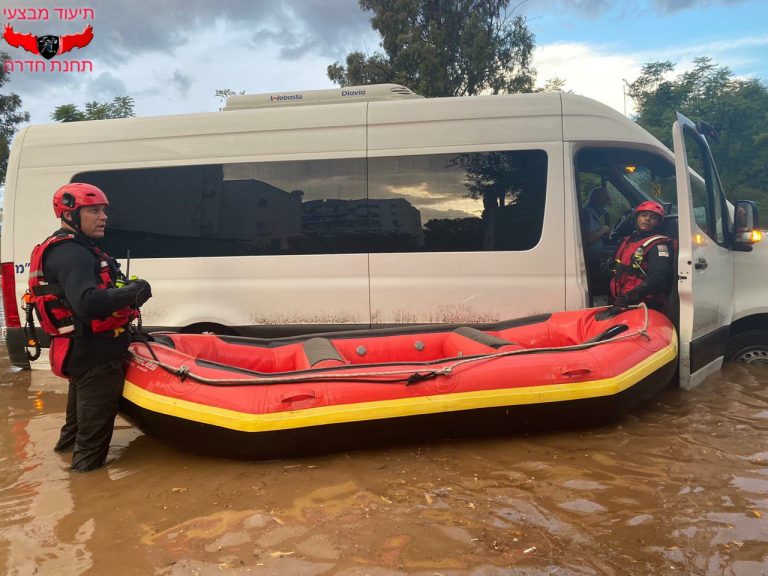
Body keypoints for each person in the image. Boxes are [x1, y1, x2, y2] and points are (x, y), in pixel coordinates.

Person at [27, 183, 152, 472]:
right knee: (91, 450)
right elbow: (86, 303)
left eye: (104, 211)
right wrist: (135, 292)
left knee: (73, 434)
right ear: (70, 214)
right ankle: (83, 498)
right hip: (96, 359)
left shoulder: (65, 248)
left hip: (78, 354)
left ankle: (62, 472)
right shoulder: (74, 253)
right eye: (94, 210)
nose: (103, 217)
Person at [609, 200, 674, 312]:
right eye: (643, 215)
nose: (647, 219)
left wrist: (630, 297)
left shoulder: (659, 245)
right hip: (621, 299)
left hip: (642, 304)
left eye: (653, 217)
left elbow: (659, 277)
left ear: (658, 223)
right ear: (636, 218)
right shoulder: (629, 240)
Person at [581, 186, 612, 257]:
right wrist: (604, 229)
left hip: (597, 250)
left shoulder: (593, 213)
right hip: (590, 256)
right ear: (599, 200)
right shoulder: (588, 213)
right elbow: (589, 239)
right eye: (607, 199)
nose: (610, 203)